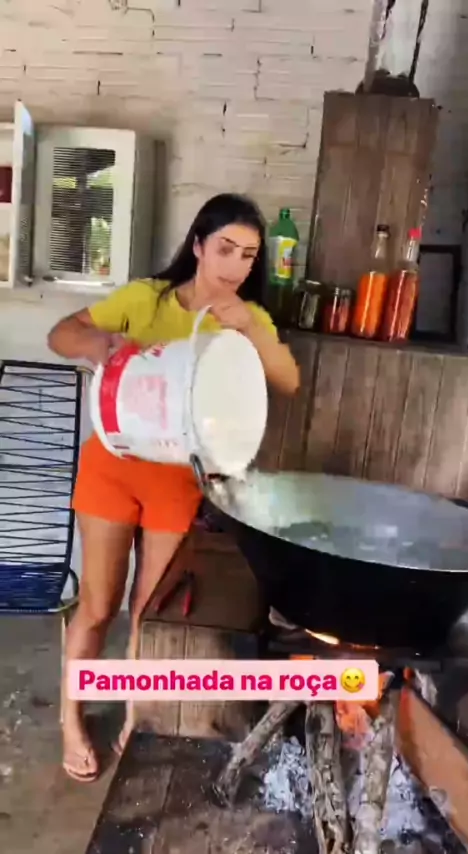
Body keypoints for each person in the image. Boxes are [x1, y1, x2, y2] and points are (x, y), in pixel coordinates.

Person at [47, 192, 300, 782]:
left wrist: (252, 330)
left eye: (248, 255)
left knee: (148, 612)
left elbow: (288, 381)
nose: (236, 265)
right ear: (198, 246)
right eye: (225, 249)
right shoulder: (148, 299)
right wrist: (100, 346)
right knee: (98, 605)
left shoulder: (247, 318)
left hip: (180, 482)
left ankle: (137, 714)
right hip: (113, 465)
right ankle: (71, 719)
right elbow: (62, 333)